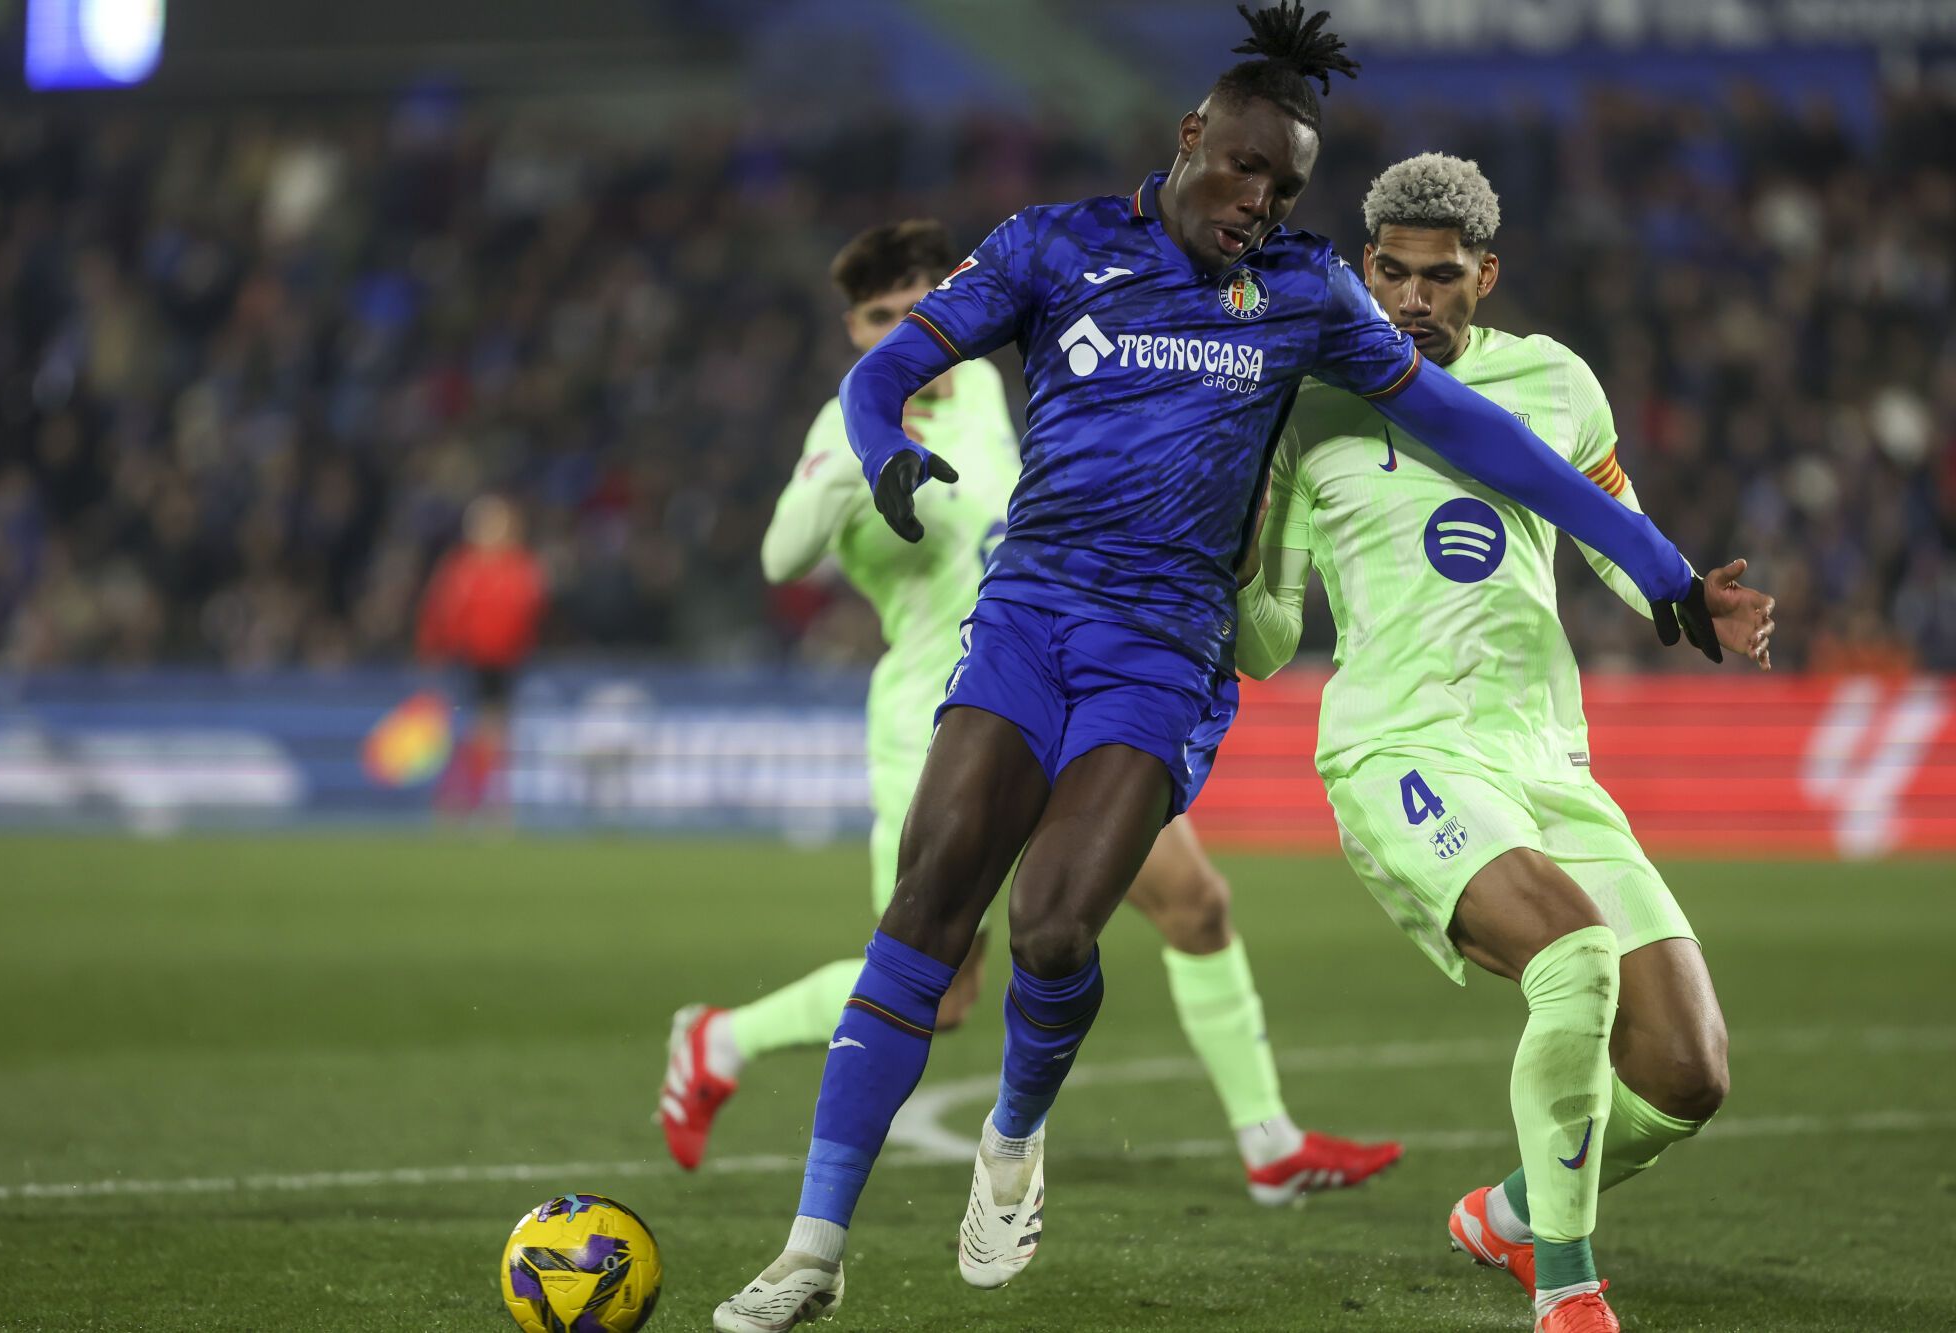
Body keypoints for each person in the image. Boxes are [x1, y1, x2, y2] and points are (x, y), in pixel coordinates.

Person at [716, 6, 1721, 1328]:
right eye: (1244, 168)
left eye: (1287, 186)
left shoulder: (1307, 292)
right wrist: (882, 439)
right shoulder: (1054, 246)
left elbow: (1482, 433)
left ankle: (1013, 1136)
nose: (1259, 201)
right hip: (1026, 616)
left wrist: (1655, 561)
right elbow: (889, 368)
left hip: (1162, 653)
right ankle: (812, 1250)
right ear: (1191, 138)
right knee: (924, 910)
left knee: (1056, 929)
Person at [660, 220, 1400, 1206]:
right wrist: (858, 459)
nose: (898, 334)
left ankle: (1267, 1145)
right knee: (944, 986)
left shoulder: (977, 391)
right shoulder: (847, 424)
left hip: (1058, 688)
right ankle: (719, 1039)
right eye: (878, 320)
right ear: (852, 330)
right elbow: (779, 559)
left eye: (911, 311)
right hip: (940, 725)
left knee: (1196, 905)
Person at [1233, 153, 1775, 1332]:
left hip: (1546, 757)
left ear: (1486, 275)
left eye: (1441, 277)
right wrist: (1221, 568)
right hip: (1398, 746)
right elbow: (1269, 639)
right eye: (1391, 274)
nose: (1413, 300)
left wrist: (1685, 600)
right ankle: (1569, 1289)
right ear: (1363, 267)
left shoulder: (1555, 382)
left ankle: (1512, 1212)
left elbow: (1608, 532)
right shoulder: (1303, 399)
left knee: (1687, 1071)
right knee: (1570, 956)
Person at [414, 494, 545, 813]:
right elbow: (440, 613)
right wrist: (433, 651)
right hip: (467, 659)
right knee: (472, 730)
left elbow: (530, 614)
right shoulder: (462, 567)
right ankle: (460, 798)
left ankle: (485, 800)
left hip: (504, 661)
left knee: (494, 733)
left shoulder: (520, 566)